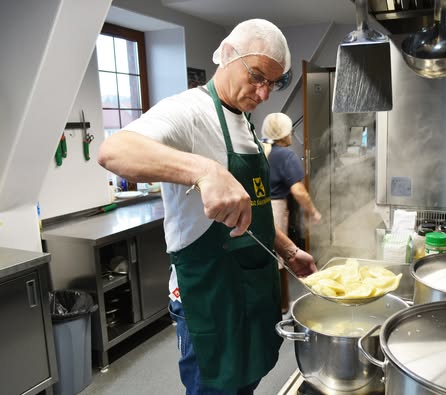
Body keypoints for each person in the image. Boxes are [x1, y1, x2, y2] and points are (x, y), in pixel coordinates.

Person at [97, 19, 316, 395]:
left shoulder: (246, 123)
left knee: (246, 383)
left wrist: (287, 248)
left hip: (251, 290)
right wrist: (204, 169)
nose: (265, 94)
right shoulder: (189, 111)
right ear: (228, 54)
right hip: (208, 295)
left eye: (273, 83)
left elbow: (255, 207)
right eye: (257, 76)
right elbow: (113, 151)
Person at [261, 112, 321, 313]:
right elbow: (298, 190)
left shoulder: (258, 149)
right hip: (275, 209)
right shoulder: (286, 155)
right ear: (284, 134)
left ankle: (273, 304)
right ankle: (282, 305)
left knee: (265, 257)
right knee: (281, 258)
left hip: (257, 209)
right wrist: (313, 211)